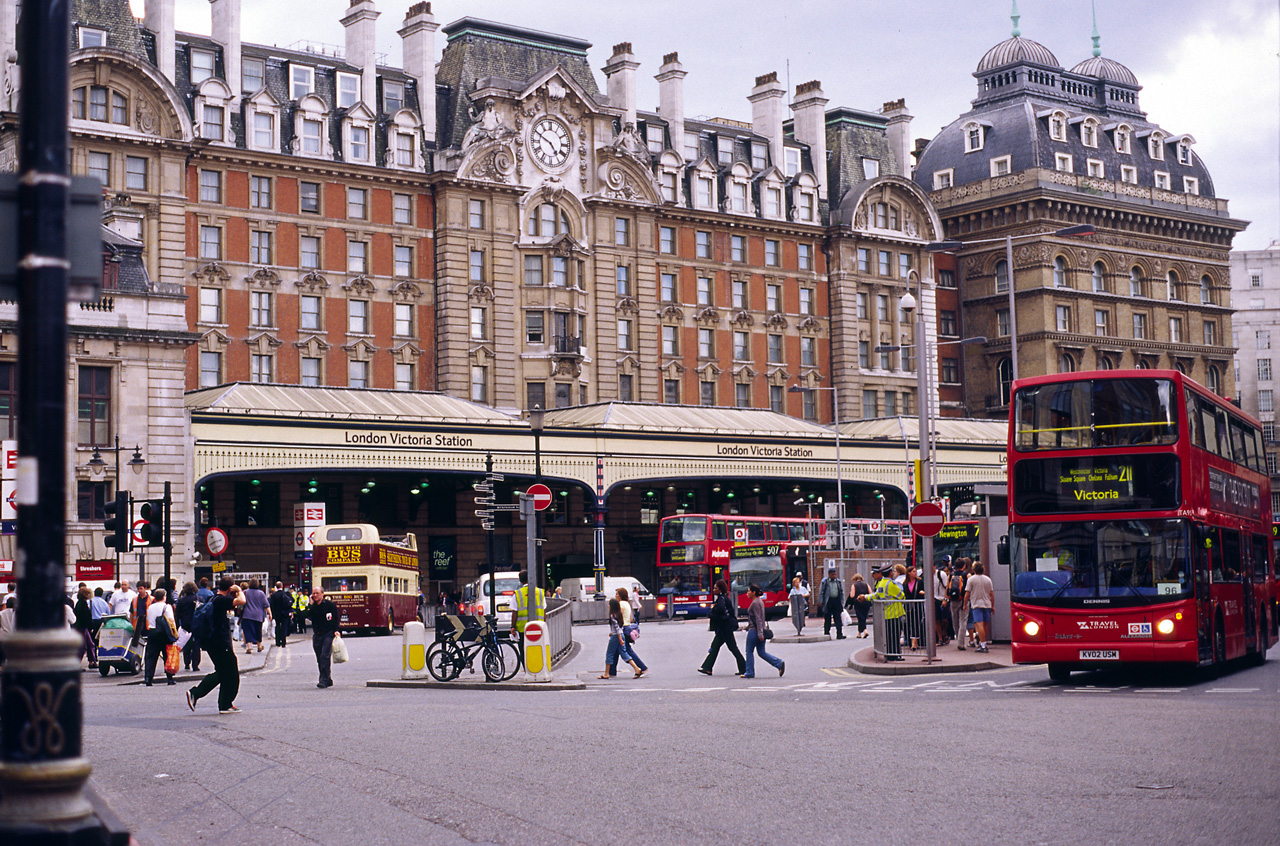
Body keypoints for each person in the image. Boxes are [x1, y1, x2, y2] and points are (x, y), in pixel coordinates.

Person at [186, 577, 247, 714]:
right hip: (220, 642)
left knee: (223, 672)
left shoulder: (212, 599)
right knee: (230, 672)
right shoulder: (221, 600)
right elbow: (242, 601)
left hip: (212, 642)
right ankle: (196, 693)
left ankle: (224, 704)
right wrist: (239, 590)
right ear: (230, 588)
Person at [698, 579, 745, 676]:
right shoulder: (723, 598)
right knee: (716, 647)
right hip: (724, 628)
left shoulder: (721, 600)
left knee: (730, 648)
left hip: (724, 629)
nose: (713, 590)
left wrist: (712, 612)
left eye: (715, 588)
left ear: (720, 589)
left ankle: (744, 668)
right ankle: (707, 668)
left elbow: (720, 611)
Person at [742, 584, 785, 678]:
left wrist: (760, 633)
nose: (747, 593)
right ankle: (778, 663)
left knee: (749, 651)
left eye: (749, 591)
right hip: (760, 629)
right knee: (761, 652)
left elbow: (758, 619)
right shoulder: (760, 601)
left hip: (755, 631)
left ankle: (749, 672)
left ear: (753, 593)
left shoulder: (755, 603)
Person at [599, 597, 643, 679]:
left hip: (616, 636)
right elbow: (620, 626)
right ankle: (637, 669)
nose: (608, 606)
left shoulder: (613, 615)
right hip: (620, 634)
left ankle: (606, 673)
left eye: (609, 605)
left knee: (609, 654)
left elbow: (616, 628)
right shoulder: (619, 614)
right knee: (624, 653)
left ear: (612, 606)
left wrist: (619, 638)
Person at [607, 587, 648, 677]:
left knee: (626, 651)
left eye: (617, 594)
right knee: (616, 650)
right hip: (627, 627)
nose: (615, 595)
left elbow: (618, 617)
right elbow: (631, 618)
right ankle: (611, 671)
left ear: (621, 595)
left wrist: (616, 631)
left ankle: (641, 667)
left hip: (622, 628)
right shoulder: (627, 604)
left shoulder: (620, 604)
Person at [143, 588, 178, 686]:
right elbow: (171, 621)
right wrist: (174, 633)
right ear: (164, 597)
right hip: (164, 634)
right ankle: (170, 678)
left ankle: (148, 678)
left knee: (151, 656)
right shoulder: (167, 607)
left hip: (152, 632)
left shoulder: (150, 607)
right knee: (167, 655)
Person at [871, 567, 906, 661]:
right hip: (895, 613)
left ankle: (889, 654)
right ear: (890, 573)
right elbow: (902, 596)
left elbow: (876, 595)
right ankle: (895, 655)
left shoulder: (881, 583)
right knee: (895, 635)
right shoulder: (891, 584)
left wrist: (865, 597)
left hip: (886, 613)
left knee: (889, 635)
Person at [308, 586, 340, 688]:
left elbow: (335, 618)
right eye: (313, 593)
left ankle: (323, 680)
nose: (315, 595)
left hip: (328, 633)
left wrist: (336, 630)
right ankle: (328, 679)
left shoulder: (329, 605)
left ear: (322, 594)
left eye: (317, 593)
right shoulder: (313, 607)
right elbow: (305, 616)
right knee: (319, 658)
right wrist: (310, 604)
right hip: (317, 635)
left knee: (324, 656)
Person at [965, 562, 995, 653]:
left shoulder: (971, 580)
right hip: (987, 604)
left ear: (974, 570)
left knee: (979, 625)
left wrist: (964, 604)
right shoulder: (988, 579)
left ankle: (982, 644)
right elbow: (991, 594)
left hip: (976, 604)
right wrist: (993, 605)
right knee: (985, 625)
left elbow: (967, 593)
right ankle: (983, 641)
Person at [510, 569, 546, 645]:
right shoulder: (540, 592)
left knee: (523, 650)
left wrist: (513, 627)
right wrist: (544, 625)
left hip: (523, 628)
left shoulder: (517, 594)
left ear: (520, 581)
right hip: (538, 627)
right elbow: (544, 610)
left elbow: (514, 612)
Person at [174, 582, 201, 672]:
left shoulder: (181, 600)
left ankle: (187, 663)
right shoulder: (198, 599)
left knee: (186, 644)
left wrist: (177, 626)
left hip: (185, 624)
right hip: (197, 624)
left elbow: (177, 614)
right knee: (196, 645)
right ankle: (195, 665)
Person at [241, 578, 270, 654]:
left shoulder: (245, 592)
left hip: (247, 615)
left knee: (248, 631)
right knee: (258, 631)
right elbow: (266, 605)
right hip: (258, 615)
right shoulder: (261, 593)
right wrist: (270, 614)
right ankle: (259, 646)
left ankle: (249, 647)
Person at [819, 566, 846, 639]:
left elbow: (841, 592)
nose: (834, 576)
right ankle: (827, 633)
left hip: (836, 601)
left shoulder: (838, 581)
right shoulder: (825, 581)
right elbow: (821, 592)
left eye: (835, 574)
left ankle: (839, 634)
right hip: (828, 601)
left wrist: (842, 601)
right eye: (832, 574)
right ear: (829, 574)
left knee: (838, 618)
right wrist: (821, 601)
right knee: (827, 618)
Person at [73, 586, 97, 669]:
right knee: (83, 646)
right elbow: (85, 617)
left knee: (90, 644)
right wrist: (90, 627)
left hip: (81, 627)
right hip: (82, 627)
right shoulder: (83, 604)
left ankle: (92, 661)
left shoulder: (80, 603)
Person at [949, 558, 970, 650]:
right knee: (963, 621)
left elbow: (947, 588)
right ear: (964, 566)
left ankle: (958, 638)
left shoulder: (951, 575)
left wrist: (947, 598)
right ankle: (960, 643)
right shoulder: (966, 575)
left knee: (955, 621)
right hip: (963, 600)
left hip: (953, 600)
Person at [933, 558, 952, 646]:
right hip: (934, 599)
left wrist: (945, 599)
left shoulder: (941, 574)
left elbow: (947, 587)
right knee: (936, 620)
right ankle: (940, 639)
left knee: (945, 619)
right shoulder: (927, 576)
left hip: (942, 599)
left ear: (934, 566)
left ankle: (944, 632)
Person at [269, 581, 292, 648]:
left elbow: (272, 606)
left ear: (276, 587)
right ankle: (283, 642)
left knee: (277, 627)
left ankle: (278, 642)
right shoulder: (286, 594)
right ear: (282, 586)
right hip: (285, 614)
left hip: (277, 614)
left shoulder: (273, 595)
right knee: (284, 627)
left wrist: (272, 615)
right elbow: (291, 602)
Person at [848, 573, 872, 638]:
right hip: (866, 602)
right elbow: (870, 593)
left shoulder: (854, 585)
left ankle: (865, 631)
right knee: (863, 617)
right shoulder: (866, 584)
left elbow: (852, 595)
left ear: (855, 579)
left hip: (858, 603)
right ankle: (859, 633)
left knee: (860, 618)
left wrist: (850, 594)